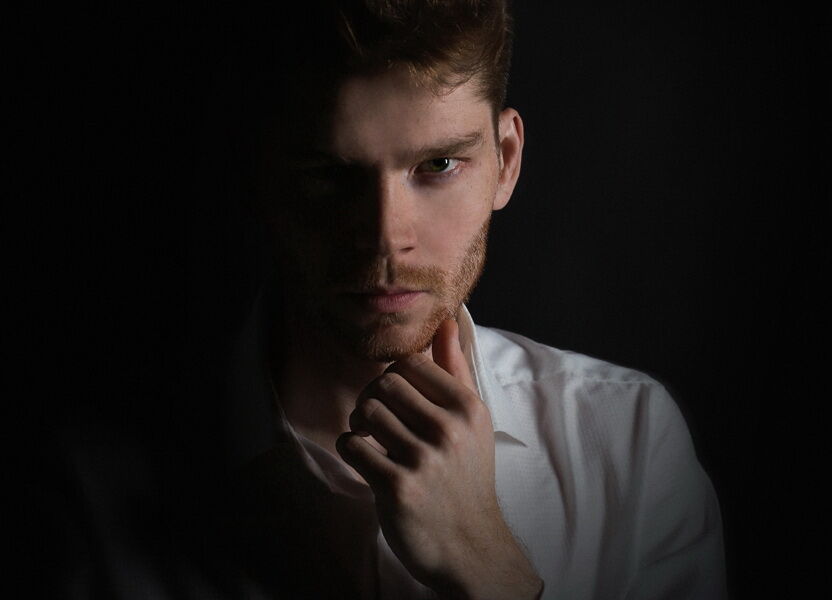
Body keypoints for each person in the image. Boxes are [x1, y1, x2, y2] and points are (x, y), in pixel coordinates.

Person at [46, 1, 726, 598]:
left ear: (506, 159)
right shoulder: (85, 489)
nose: (385, 237)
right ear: (262, 173)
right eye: (329, 174)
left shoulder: (630, 445)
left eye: (438, 165)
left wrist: (490, 574)